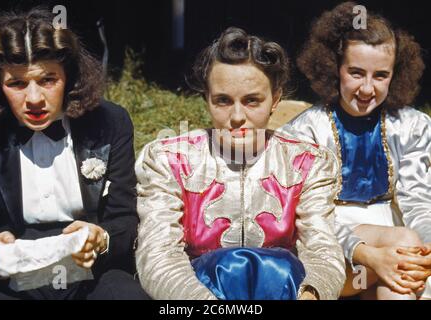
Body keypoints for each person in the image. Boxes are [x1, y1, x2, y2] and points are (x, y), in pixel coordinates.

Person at [135, 27, 345, 300]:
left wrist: (312, 295)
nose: (237, 116)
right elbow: (158, 254)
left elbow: (323, 251)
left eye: (251, 101)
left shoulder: (308, 163)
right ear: (206, 100)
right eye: (223, 101)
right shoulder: (169, 160)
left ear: (275, 100)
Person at [0, 8, 149, 299]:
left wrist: (101, 239)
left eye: (48, 80)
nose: (34, 99)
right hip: (10, 273)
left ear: (70, 77)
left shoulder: (109, 122)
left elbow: (124, 217)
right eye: (16, 83)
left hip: (92, 270)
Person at [281, 2, 431, 300]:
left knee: (403, 272)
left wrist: (425, 254)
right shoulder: (306, 131)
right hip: (330, 247)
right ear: (334, 67)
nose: (366, 89)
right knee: (402, 247)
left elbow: (419, 203)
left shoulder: (413, 126)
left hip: (399, 246)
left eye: (380, 76)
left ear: (395, 74)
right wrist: (371, 257)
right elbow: (309, 221)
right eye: (356, 72)